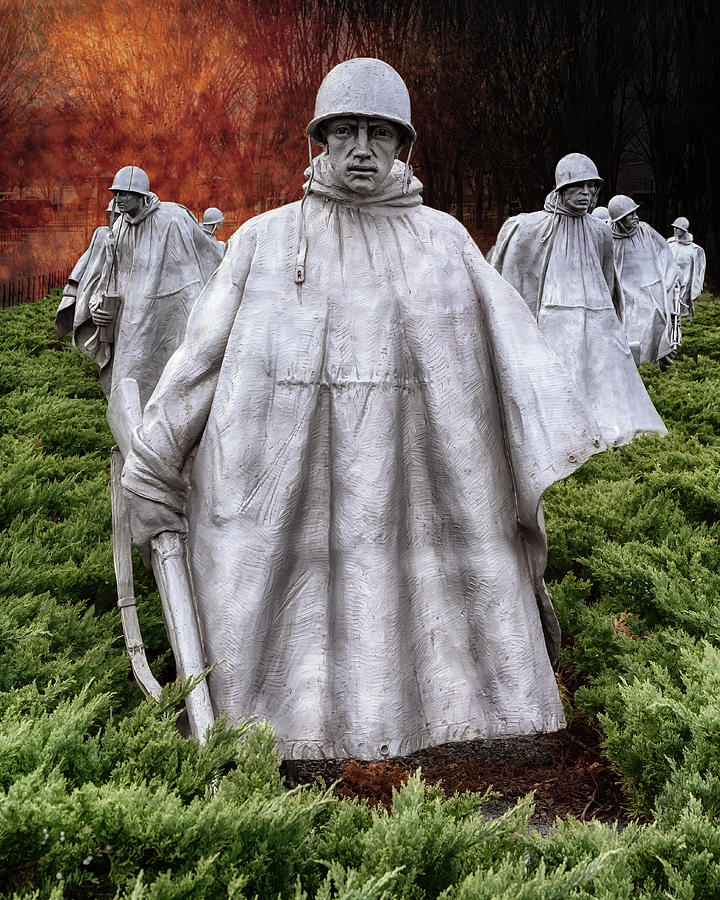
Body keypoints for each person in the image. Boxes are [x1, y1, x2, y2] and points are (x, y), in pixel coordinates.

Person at [122, 59, 608, 761]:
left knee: (423, 605)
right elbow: (197, 361)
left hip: (417, 487)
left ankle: (457, 723)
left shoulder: (442, 243)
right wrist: (153, 463)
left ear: (401, 144)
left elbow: (515, 364)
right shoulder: (264, 241)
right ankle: (275, 739)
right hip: (287, 487)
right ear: (319, 139)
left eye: (378, 133)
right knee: (291, 614)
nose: (360, 149)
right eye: (344, 130)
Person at [490, 153, 666, 447]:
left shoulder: (600, 231)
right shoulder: (534, 227)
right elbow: (517, 275)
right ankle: (562, 435)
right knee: (561, 380)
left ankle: (603, 430)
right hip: (556, 312)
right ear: (562, 188)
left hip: (598, 314)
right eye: (578, 186)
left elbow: (608, 277)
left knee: (608, 382)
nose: (586, 194)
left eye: (591, 187)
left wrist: (613, 318)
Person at [73, 166, 224, 407]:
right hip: (129, 320)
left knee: (169, 377)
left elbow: (207, 250)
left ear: (141, 195)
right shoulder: (118, 227)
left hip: (168, 317)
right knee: (127, 378)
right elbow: (107, 275)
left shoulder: (173, 218)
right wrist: (96, 305)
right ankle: (129, 437)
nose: (119, 200)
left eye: (125, 194)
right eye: (116, 194)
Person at [609, 195, 680, 366]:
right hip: (628, 294)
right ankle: (638, 367)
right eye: (629, 215)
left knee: (658, 326)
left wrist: (670, 278)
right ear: (619, 219)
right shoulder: (610, 238)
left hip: (654, 289)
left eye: (635, 213)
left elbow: (664, 251)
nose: (635, 217)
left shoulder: (645, 230)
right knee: (633, 330)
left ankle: (658, 363)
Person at [55, 199, 119, 341]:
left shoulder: (131, 238)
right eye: (111, 215)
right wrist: (73, 285)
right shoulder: (101, 233)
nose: (112, 219)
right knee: (86, 317)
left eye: (116, 215)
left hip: (114, 288)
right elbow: (86, 257)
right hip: (93, 283)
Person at [668, 216, 706, 319]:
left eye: (678, 228)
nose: (675, 230)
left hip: (684, 286)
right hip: (669, 284)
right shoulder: (670, 245)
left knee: (679, 313)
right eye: (674, 227)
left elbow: (698, 271)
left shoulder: (694, 250)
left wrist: (695, 288)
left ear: (684, 230)